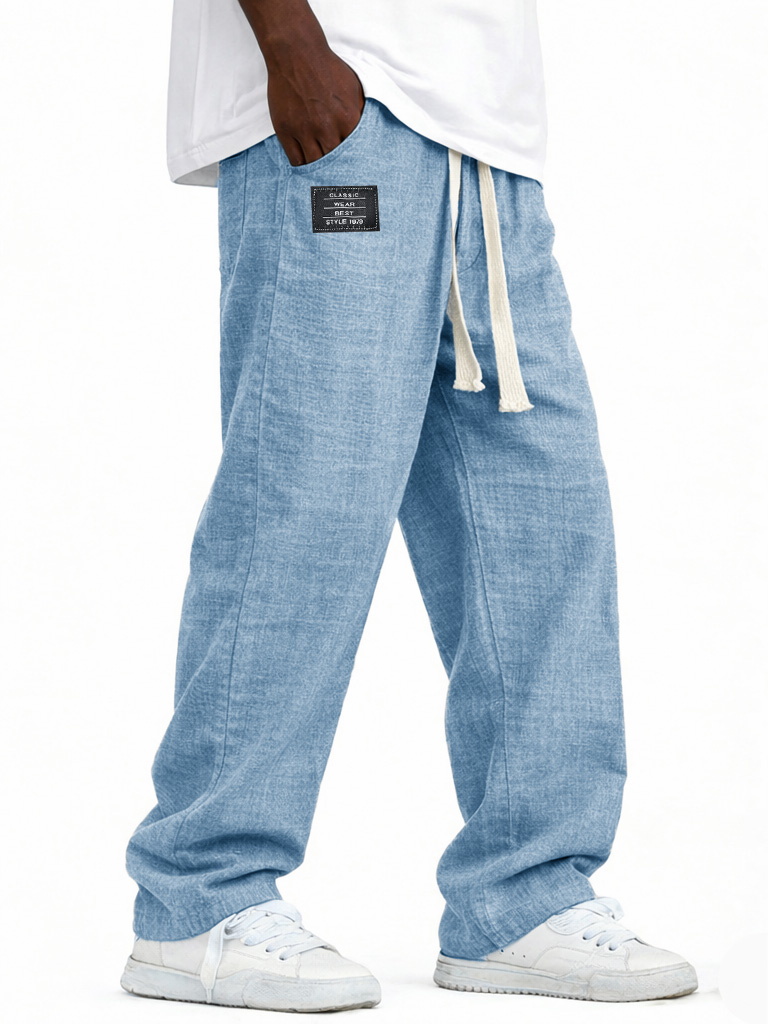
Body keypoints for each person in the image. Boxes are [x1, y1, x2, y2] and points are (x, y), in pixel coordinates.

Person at [120, 0, 697, 1012]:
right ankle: (199, 894)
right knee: (306, 506)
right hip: (345, 105)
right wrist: (292, 44)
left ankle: (522, 897)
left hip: (487, 141)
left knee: (543, 521)